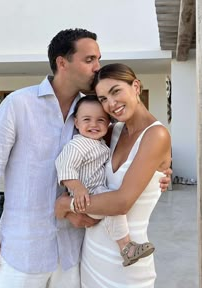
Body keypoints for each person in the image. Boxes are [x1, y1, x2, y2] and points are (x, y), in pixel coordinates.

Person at [0, 28, 171, 288]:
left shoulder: (93, 114)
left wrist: (161, 170)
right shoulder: (18, 105)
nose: (97, 67)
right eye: (89, 60)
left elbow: (130, 153)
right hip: (25, 251)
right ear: (62, 63)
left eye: (98, 59)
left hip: (73, 251)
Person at [55, 63, 172, 287]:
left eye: (116, 91)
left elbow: (121, 203)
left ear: (136, 86)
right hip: (92, 253)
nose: (111, 104)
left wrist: (65, 204)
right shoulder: (114, 131)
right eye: (102, 99)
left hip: (127, 261)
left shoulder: (156, 135)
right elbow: (82, 160)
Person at [55, 95, 155, 267]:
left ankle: (125, 247)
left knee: (112, 208)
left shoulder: (101, 144)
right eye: (87, 119)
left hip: (96, 193)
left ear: (108, 123)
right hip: (88, 196)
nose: (94, 125)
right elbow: (64, 166)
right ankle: (126, 247)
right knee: (113, 205)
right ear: (76, 123)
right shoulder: (77, 145)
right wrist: (78, 189)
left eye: (101, 120)